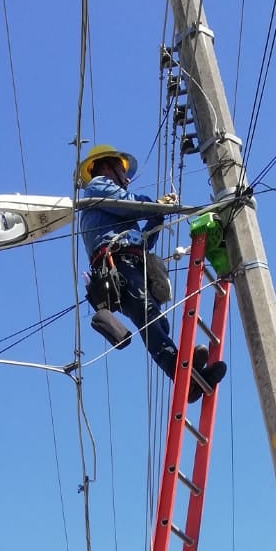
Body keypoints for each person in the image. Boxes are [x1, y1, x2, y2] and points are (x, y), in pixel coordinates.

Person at [77, 143, 226, 403]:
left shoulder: (112, 208)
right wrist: (153, 205)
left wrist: (158, 216)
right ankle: (184, 378)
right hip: (117, 266)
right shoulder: (98, 187)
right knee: (150, 319)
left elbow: (141, 241)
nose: (127, 178)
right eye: (123, 171)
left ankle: (192, 372)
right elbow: (129, 205)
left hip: (130, 262)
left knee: (158, 321)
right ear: (107, 166)